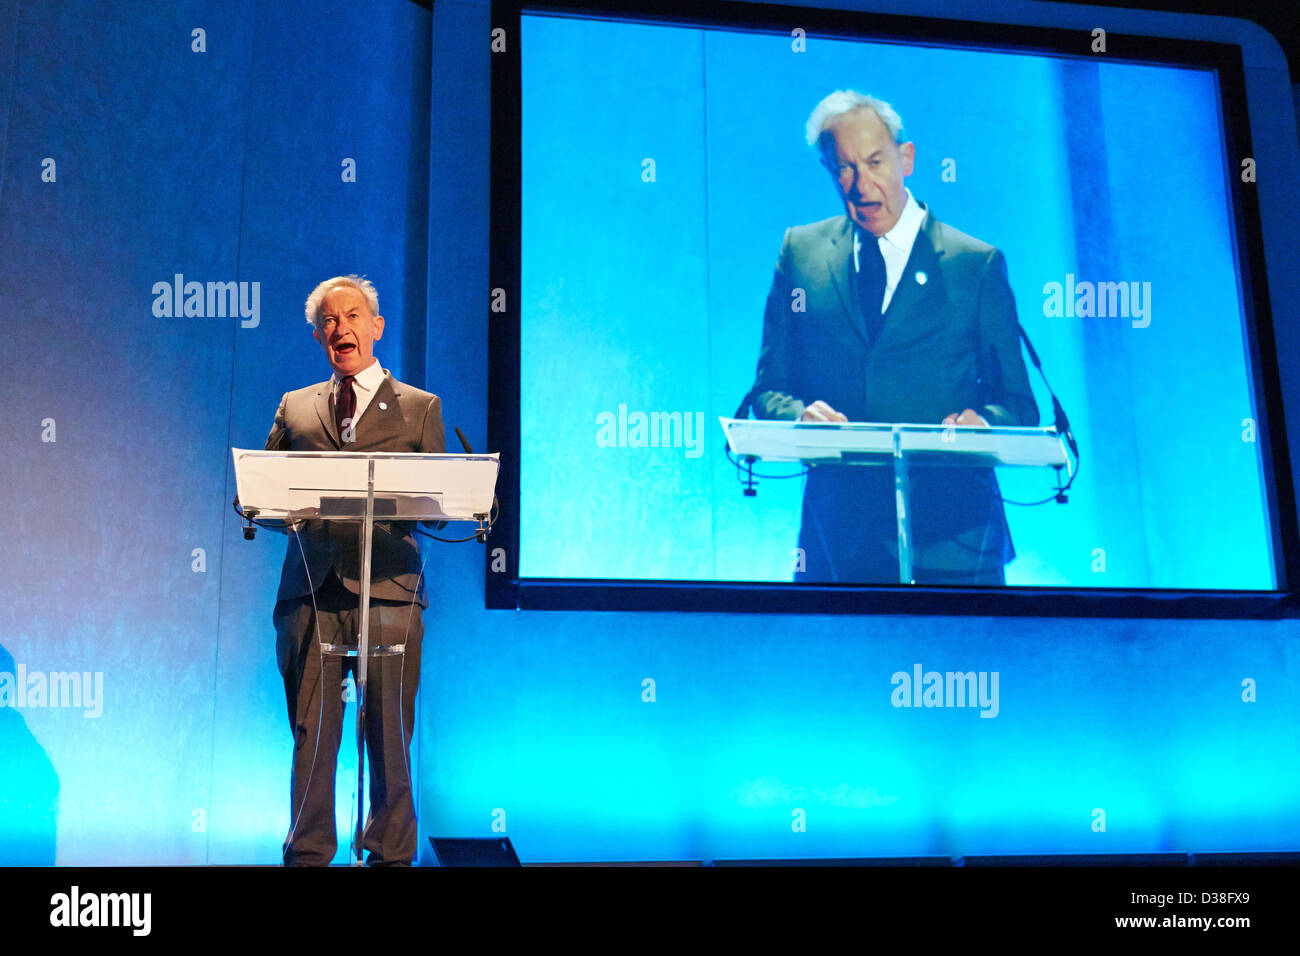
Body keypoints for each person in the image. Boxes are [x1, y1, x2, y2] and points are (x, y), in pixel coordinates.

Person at [750, 91, 1037, 585]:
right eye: (843, 168)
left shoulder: (975, 264)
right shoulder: (801, 253)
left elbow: (1018, 402)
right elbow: (767, 389)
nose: (861, 185)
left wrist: (983, 423)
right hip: (838, 544)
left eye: (875, 161)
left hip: (956, 542)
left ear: (906, 159)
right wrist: (800, 416)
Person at [263, 274, 445, 865]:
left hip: (389, 591)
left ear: (376, 328)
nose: (341, 329)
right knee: (313, 736)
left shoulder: (420, 409)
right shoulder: (296, 406)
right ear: (320, 338)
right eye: (329, 322)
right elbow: (266, 491)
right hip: (314, 591)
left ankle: (391, 854)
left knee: (389, 737)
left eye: (353, 317)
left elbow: (441, 507)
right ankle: (309, 853)